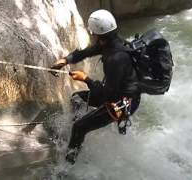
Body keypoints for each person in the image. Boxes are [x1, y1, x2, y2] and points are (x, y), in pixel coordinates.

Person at [50, 9, 141, 164]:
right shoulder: (112, 42)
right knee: (77, 98)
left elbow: (108, 96)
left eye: (93, 33)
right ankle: (75, 135)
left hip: (122, 103)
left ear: (97, 34)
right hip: (119, 92)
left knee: (80, 127)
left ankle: (65, 168)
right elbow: (87, 52)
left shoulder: (115, 58)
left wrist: (85, 79)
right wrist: (66, 60)